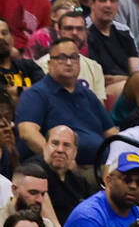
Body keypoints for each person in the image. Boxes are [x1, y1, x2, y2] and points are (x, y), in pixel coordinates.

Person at [16, 38, 117, 168]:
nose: (69, 63)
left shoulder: (88, 95)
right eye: (62, 58)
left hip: (103, 166)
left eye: (74, 57)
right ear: (50, 63)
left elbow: (112, 133)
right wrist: (58, 158)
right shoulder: (36, 94)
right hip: (62, 169)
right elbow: (27, 132)